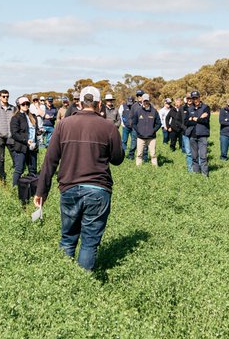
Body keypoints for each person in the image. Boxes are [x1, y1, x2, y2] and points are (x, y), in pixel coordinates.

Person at [34, 91, 124, 271]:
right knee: (89, 243)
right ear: (99, 105)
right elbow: (117, 158)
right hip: (98, 190)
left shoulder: (63, 125)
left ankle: (65, 282)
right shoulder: (108, 127)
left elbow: (50, 160)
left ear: (80, 103)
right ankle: (84, 283)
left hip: (69, 189)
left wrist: (41, 192)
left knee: (68, 239)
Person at [10, 95, 41, 206]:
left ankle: (33, 192)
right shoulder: (16, 117)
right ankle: (15, 190)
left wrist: (39, 132)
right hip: (21, 147)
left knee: (32, 170)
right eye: (23, 104)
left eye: (27, 104)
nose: (26, 106)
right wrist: (25, 140)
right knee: (19, 169)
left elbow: (35, 130)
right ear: (19, 105)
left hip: (32, 147)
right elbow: (14, 134)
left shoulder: (32, 116)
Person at [183, 90, 211, 176]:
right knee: (194, 157)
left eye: (196, 98)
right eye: (193, 98)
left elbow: (206, 121)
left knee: (203, 156)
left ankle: (205, 174)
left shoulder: (206, 107)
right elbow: (186, 122)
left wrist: (195, 119)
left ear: (199, 97)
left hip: (202, 135)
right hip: (192, 135)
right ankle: (196, 174)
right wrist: (199, 119)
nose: (195, 100)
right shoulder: (189, 109)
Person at [130, 93, 163, 166]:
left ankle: (155, 168)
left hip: (151, 137)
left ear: (149, 101)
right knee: (139, 154)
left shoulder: (154, 111)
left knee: (153, 154)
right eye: (144, 101)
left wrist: (153, 130)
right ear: (142, 101)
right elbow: (134, 123)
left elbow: (159, 123)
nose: (145, 102)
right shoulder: (138, 111)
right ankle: (139, 168)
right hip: (140, 137)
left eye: (146, 101)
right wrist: (138, 131)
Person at [0, 89, 17, 184]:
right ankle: (2, 176)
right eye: (4, 96)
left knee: (15, 157)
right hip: (0, 137)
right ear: (0, 97)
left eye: (7, 96)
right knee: (1, 158)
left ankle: (16, 176)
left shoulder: (13, 108)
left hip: (11, 136)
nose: (6, 98)